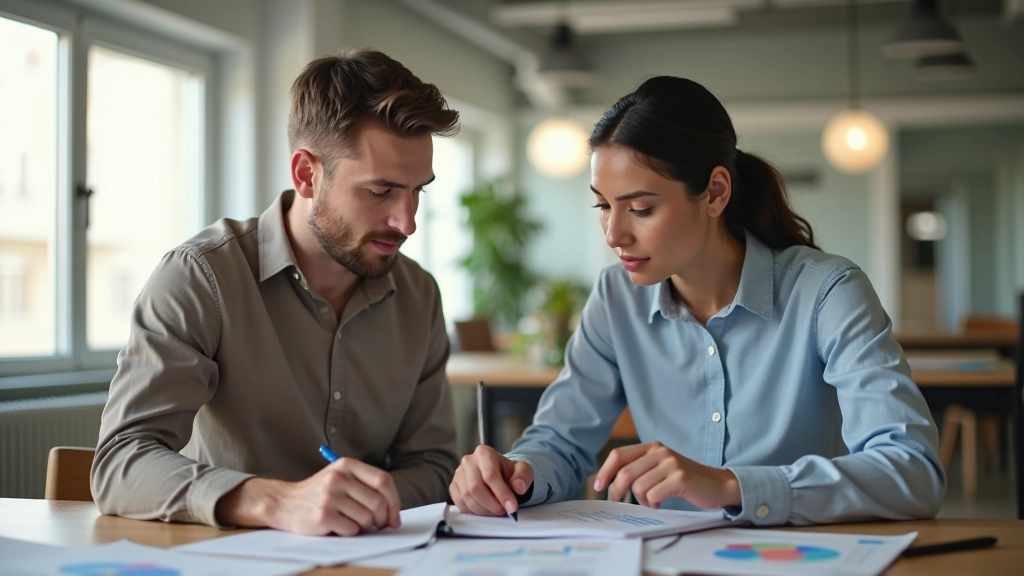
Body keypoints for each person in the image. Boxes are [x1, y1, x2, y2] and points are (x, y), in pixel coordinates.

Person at [450, 76, 946, 526]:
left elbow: (912, 470)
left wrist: (731, 485)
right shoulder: (615, 299)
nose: (614, 233)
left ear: (714, 192)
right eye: (603, 206)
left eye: (640, 208)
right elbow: (559, 441)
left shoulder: (827, 292)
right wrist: (517, 475)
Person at [91, 49, 461, 536]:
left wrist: (372, 499)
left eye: (419, 191)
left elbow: (433, 465)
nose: (406, 221)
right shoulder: (201, 277)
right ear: (307, 174)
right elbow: (121, 461)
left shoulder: (419, 294)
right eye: (381, 191)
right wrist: (275, 501)